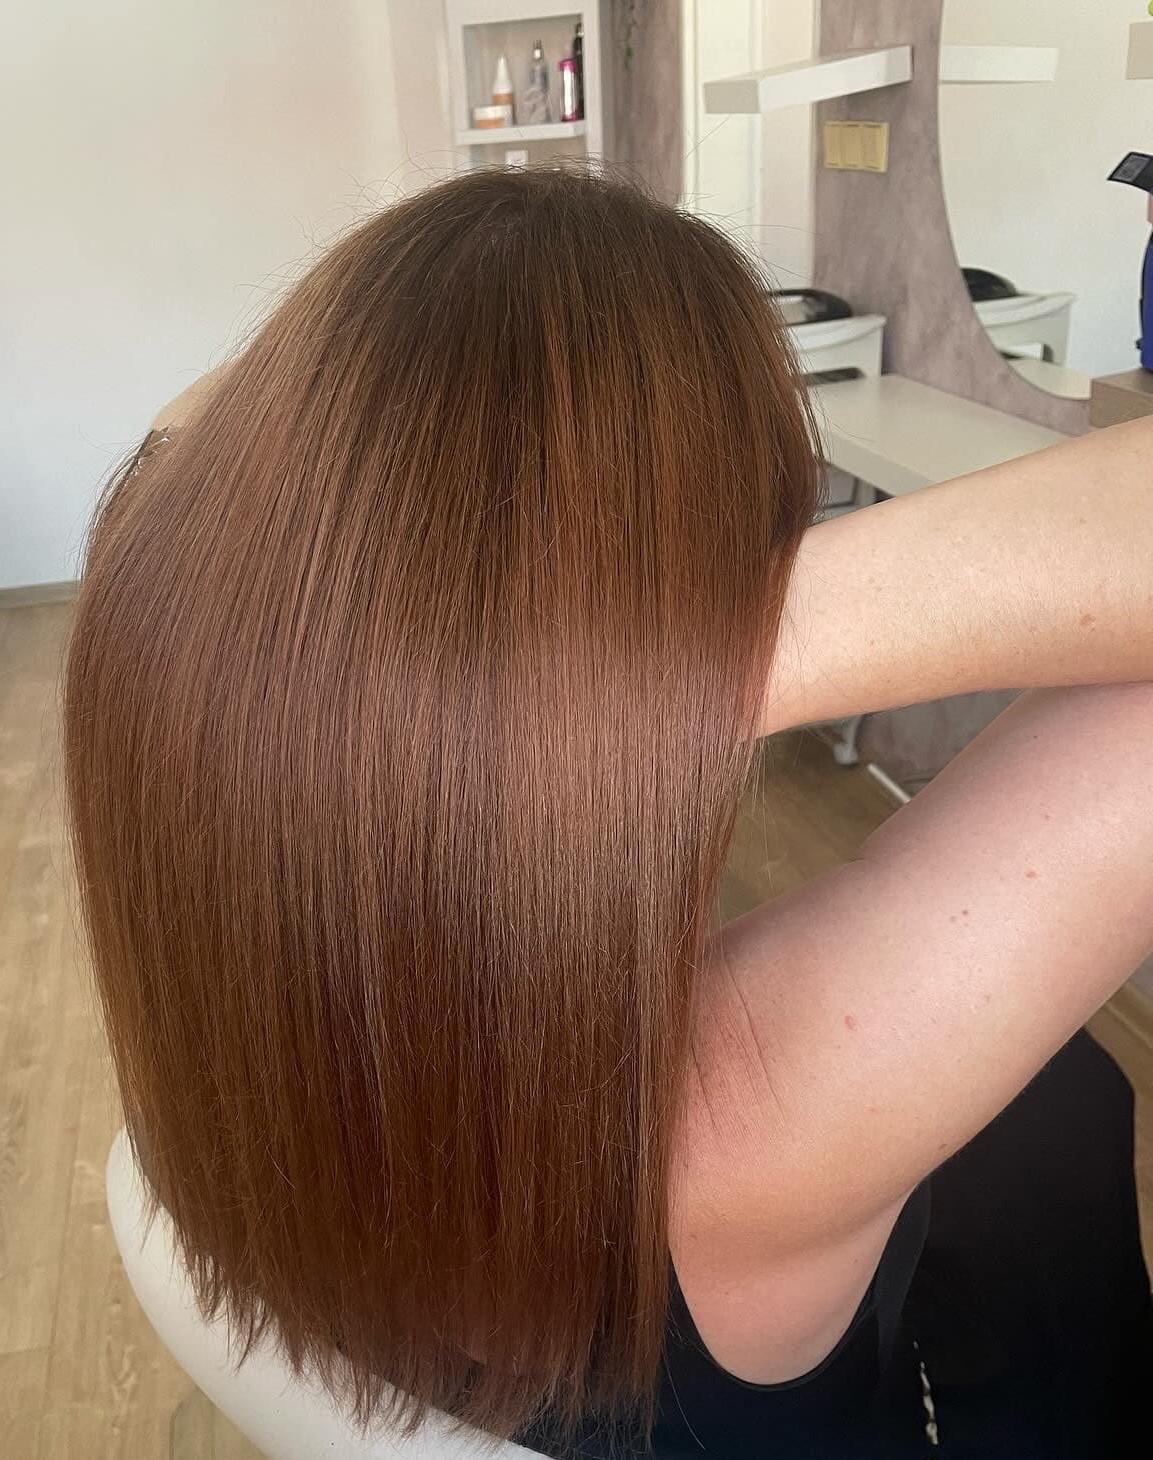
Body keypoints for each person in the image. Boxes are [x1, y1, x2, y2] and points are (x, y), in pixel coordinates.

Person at [64, 168, 1153, 1458]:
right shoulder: (755, 1116)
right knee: (1058, 1118)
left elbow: (183, 445)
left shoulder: (216, 981)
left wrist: (482, 661)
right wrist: (653, 653)